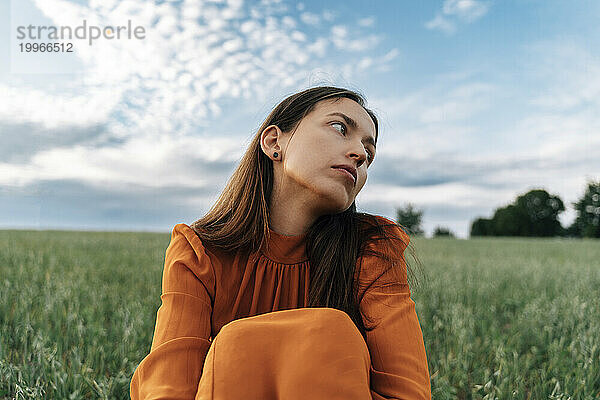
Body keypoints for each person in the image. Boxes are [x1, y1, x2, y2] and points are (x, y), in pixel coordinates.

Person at [130, 86, 431, 399]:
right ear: (274, 142)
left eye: (369, 154)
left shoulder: (373, 249)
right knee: (238, 346)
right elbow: (167, 388)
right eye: (340, 128)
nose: (359, 155)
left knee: (329, 332)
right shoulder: (198, 251)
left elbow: (406, 394)